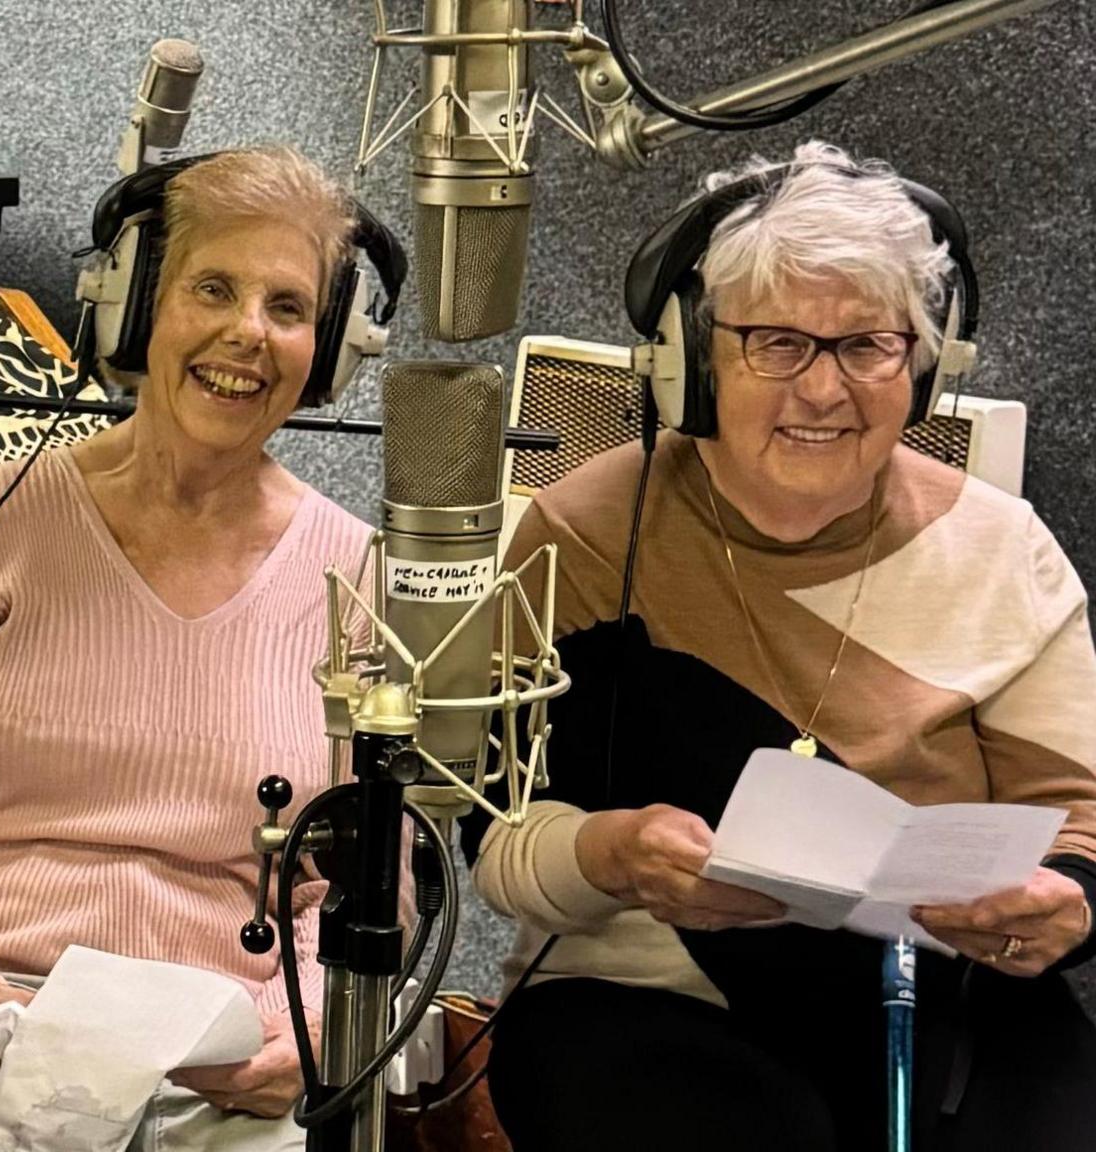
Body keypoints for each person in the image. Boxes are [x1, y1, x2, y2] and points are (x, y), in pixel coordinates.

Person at [463, 141, 1096, 1151]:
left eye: (865, 345)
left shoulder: (1000, 548)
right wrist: (608, 856)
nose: (822, 389)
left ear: (924, 366)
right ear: (692, 360)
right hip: (648, 995)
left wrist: (1063, 905)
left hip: (939, 992)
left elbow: (1078, 828)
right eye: (776, 342)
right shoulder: (582, 535)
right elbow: (489, 840)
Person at [0, 147, 382, 1151]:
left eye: (286, 308)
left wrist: (304, 1027)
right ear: (134, 310)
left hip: (216, 1038)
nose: (246, 333)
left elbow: (359, 880)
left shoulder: (353, 573)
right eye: (212, 288)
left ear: (326, 350)